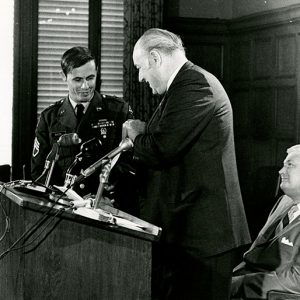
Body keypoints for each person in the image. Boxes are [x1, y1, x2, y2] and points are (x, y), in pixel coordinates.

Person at [124, 28, 251, 299]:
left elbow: (161, 148)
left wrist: (135, 132)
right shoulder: (185, 85)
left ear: (156, 58)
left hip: (206, 238)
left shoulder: (195, 85)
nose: (140, 77)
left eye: (140, 67)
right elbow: (172, 139)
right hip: (190, 234)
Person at [31, 46, 134, 200]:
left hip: (105, 202)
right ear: (63, 76)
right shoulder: (49, 117)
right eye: (78, 80)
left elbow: (131, 162)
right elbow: (39, 171)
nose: (85, 86)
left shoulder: (118, 110)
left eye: (90, 78)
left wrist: (114, 182)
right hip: (62, 206)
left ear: (97, 72)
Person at [231, 145, 300, 299]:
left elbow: (297, 280)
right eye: (283, 165)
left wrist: (238, 284)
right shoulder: (284, 202)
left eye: (290, 165)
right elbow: (253, 255)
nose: (281, 171)